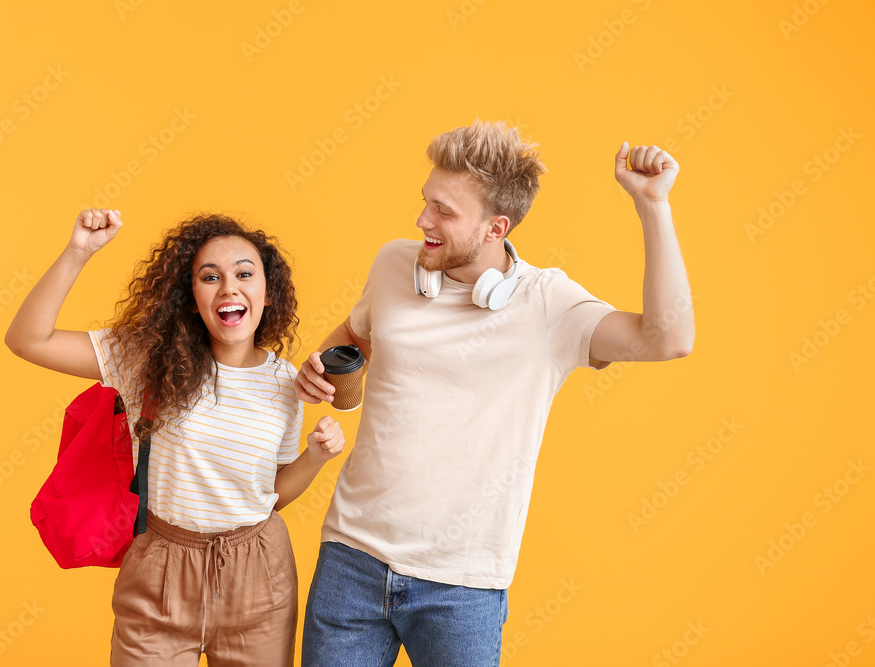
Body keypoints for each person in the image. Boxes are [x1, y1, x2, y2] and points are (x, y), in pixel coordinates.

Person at [294, 120, 694, 666]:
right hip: (351, 560)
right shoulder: (393, 263)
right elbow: (354, 339)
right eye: (425, 201)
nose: (422, 220)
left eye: (444, 212)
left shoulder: (549, 305)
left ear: (495, 227)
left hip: (462, 585)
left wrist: (653, 206)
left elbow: (669, 339)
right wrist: (326, 373)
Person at [6, 209, 345, 666]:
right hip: (160, 567)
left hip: (258, 573)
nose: (229, 287)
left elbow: (273, 493)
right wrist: (77, 253)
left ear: (268, 294)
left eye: (245, 274)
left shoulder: (285, 382)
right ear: (190, 298)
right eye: (210, 277)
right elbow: (29, 340)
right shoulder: (147, 359)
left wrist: (315, 457)